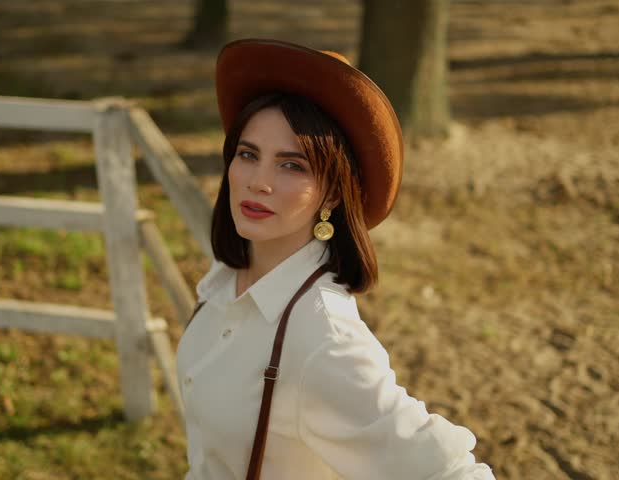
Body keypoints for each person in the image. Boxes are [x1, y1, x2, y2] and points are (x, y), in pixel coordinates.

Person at [176, 38, 495, 480]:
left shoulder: (323, 339)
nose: (258, 182)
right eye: (249, 155)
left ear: (331, 191)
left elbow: (447, 472)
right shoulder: (229, 273)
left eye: (292, 166)